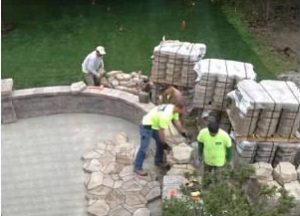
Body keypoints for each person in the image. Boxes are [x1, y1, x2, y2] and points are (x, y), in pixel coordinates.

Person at [134, 103, 187, 176]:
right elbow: (161, 131)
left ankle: (158, 162)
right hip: (146, 126)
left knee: (160, 143)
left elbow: (176, 121)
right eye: (182, 111)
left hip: (154, 125)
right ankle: (137, 167)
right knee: (144, 147)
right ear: (178, 108)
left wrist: (182, 131)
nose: (183, 113)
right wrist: (164, 142)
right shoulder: (166, 115)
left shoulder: (173, 109)